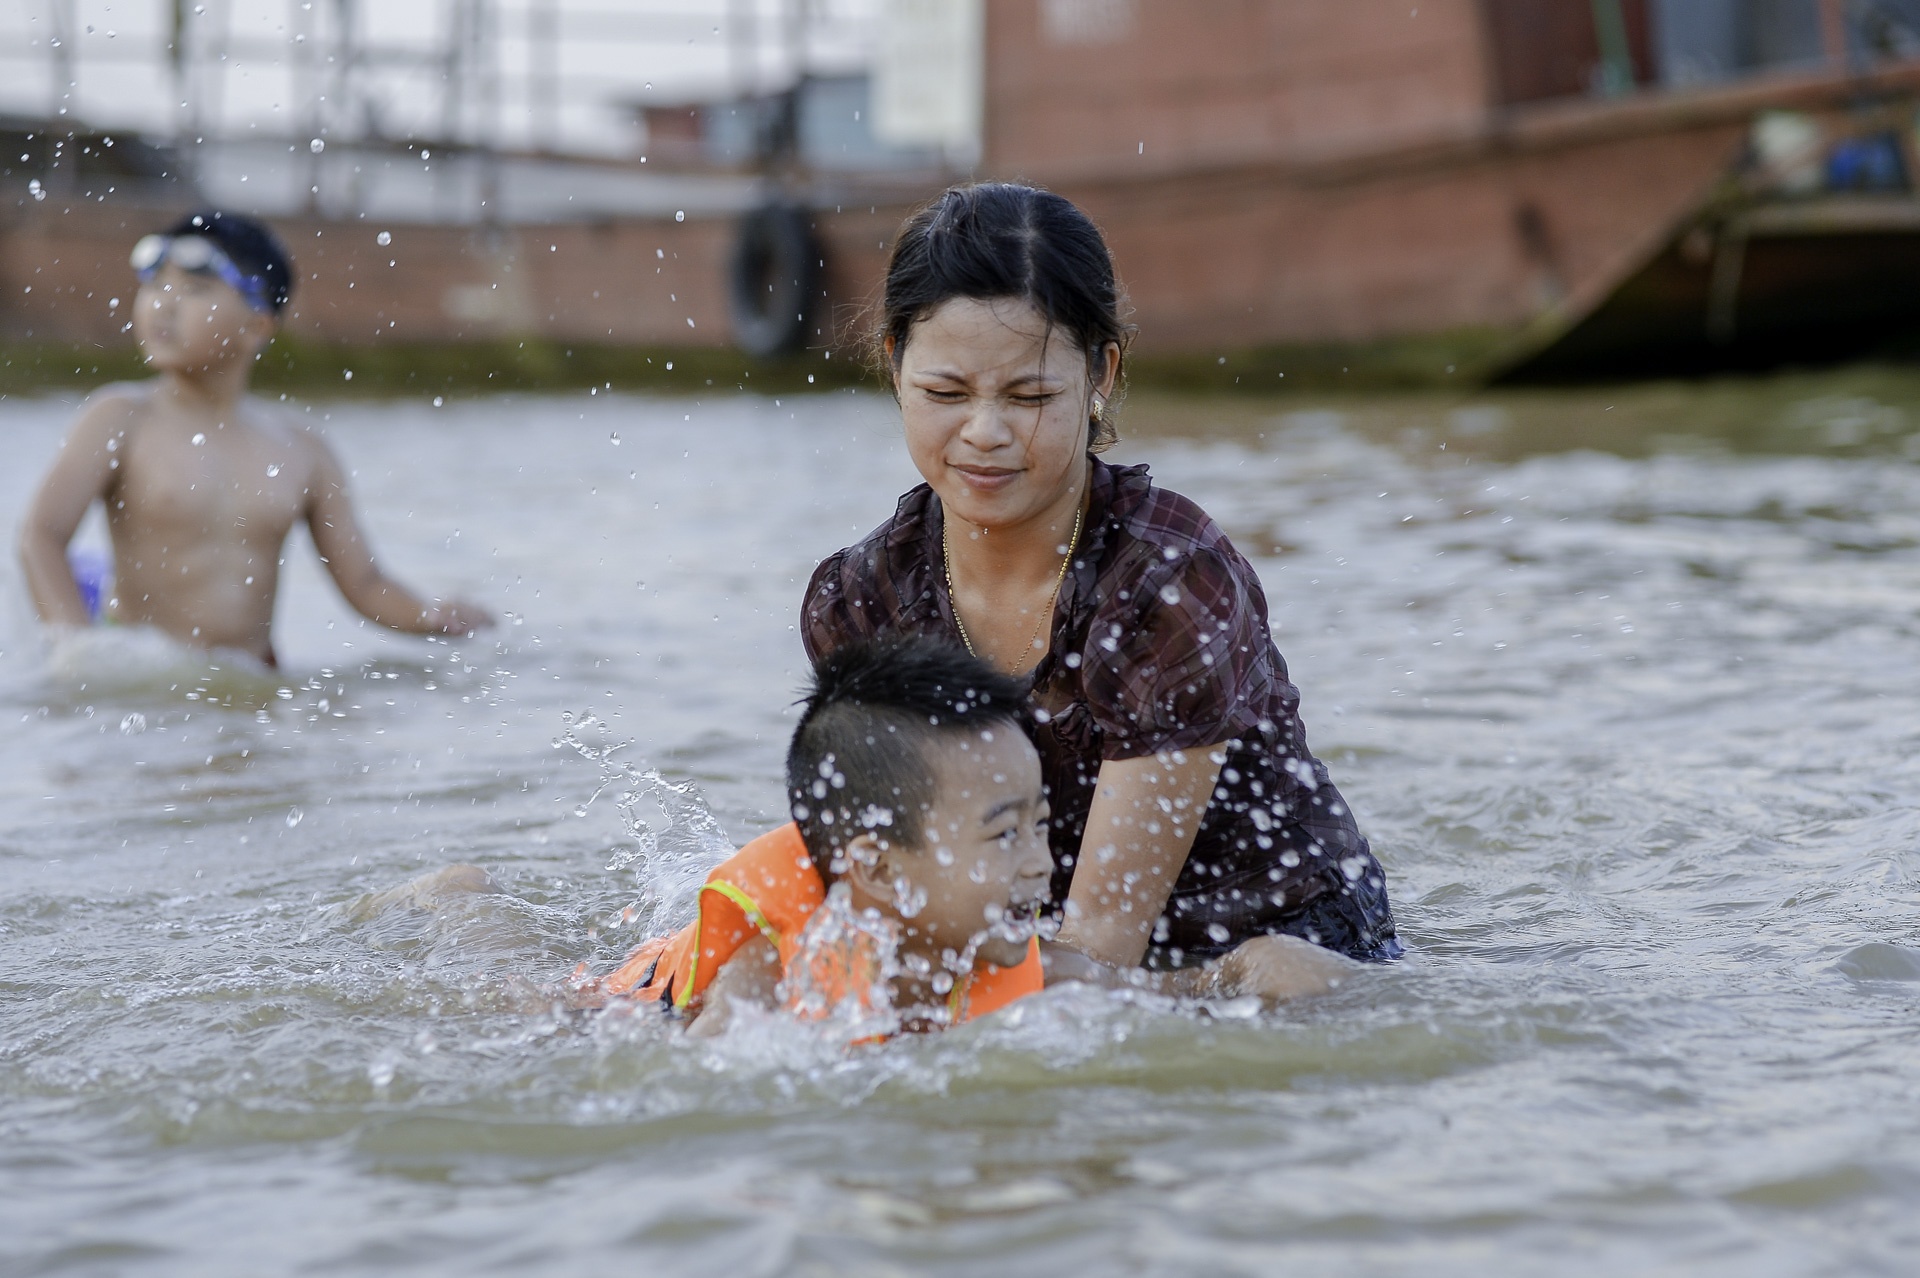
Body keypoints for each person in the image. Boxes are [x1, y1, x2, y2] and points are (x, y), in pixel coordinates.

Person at [801, 183, 1402, 982]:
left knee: (1273, 980)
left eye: (1031, 396)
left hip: (1260, 948)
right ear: (895, 366)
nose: (985, 434)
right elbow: (873, 876)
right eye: (946, 394)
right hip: (1051, 948)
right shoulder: (860, 600)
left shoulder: (1167, 582)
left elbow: (1100, 945)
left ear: (1100, 376)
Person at [583, 636, 1352, 1037]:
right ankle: (466, 902)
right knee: (526, 990)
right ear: (879, 869)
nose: (1041, 865)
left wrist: (1249, 967)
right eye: (1002, 836)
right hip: (641, 997)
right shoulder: (769, 976)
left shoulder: (1052, 973)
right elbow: (711, 1084)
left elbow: (1186, 994)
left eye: (1041, 828)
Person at [17, 210, 487, 667]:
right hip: (141, 677)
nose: (165, 303)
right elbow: (41, 536)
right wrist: (80, 649)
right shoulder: (120, 418)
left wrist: (432, 616)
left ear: (257, 327)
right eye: (157, 284)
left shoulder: (302, 450)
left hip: (249, 676)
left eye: (196, 289)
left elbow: (364, 583)